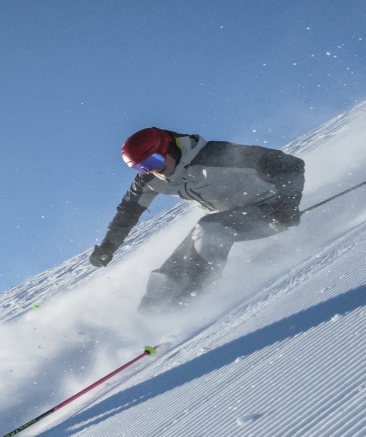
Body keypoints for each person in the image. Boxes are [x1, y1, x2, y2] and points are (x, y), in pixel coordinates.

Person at [89, 128, 305, 309]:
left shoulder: (214, 155)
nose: (153, 169)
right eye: (141, 166)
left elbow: (290, 164)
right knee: (166, 276)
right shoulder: (150, 179)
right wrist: (108, 246)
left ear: (169, 147)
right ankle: (149, 322)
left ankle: (195, 303)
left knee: (209, 228)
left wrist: (287, 204)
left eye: (154, 159)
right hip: (224, 221)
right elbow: (127, 212)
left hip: (268, 210)